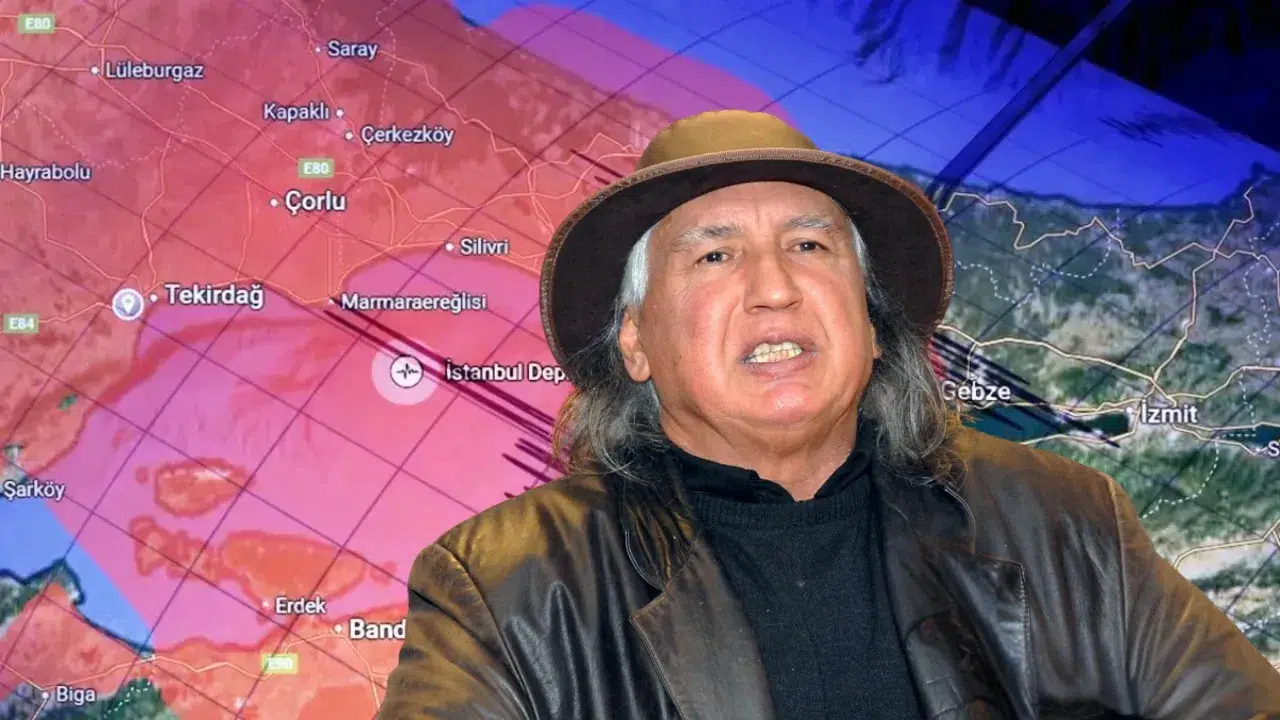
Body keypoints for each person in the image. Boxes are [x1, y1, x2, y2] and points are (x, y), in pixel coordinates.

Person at [378, 110, 1280, 719]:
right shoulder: (505, 590)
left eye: (810, 245)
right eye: (714, 257)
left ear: (873, 324)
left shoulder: (1066, 522)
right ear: (636, 344)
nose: (775, 288)